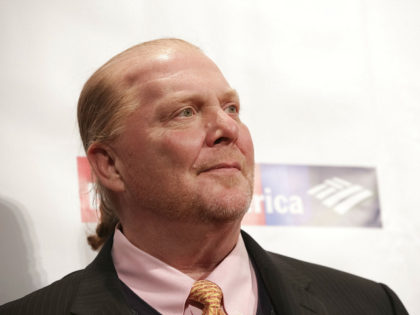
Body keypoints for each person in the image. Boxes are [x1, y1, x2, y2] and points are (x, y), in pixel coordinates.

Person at [0, 38, 409, 315]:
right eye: (186, 112)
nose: (228, 129)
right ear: (110, 165)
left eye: (231, 108)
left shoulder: (369, 305)